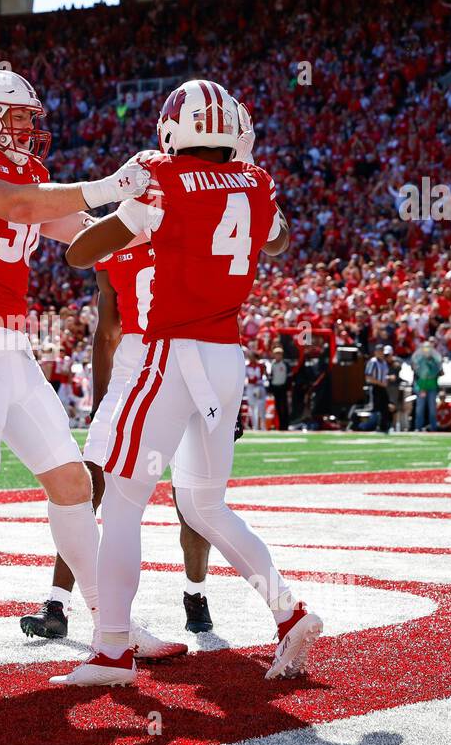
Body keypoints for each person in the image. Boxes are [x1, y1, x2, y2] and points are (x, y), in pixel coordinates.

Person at [0, 68, 176, 692]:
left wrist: (140, 222)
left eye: (28, 120)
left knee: (72, 482)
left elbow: (77, 235)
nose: (26, 131)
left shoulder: (27, 176)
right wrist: (106, 186)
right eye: (15, 119)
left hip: (12, 348)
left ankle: (111, 629)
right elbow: (20, 206)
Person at [56, 79, 321, 687]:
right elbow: (276, 239)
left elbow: (82, 253)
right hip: (227, 358)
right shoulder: (256, 182)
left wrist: (124, 195)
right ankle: (287, 609)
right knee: (205, 504)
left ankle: (113, 651)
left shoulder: (161, 178)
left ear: (173, 132)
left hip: (170, 353)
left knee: (123, 501)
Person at [19, 238, 216, 640]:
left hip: (181, 365)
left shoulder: (181, 230)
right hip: (132, 369)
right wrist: (102, 401)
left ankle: (195, 593)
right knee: (88, 486)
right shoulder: (115, 242)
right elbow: (107, 331)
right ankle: (57, 603)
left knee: (190, 499)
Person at [410, 340, 441, 432]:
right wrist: (420, 388)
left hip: (432, 387)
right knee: (420, 409)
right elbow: (416, 373)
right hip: (421, 388)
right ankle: (418, 427)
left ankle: (433, 427)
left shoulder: (436, 360)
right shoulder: (419, 360)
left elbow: (438, 372)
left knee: (432, 409)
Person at [366, 344, 391, 434]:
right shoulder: (373, 362)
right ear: (375, 352)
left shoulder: (384, 362)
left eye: (382, 351)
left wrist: (388, 378)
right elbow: (368, 377)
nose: (381, 353)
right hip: (375, 387)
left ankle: (383, 426)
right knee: (376, 407)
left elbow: (384, 376)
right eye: (379, 351)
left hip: (383, 387)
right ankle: (372, 426)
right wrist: (381, 383)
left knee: (385, 407)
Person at [244, 347, 268, 430]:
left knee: (261, 407)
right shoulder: (246, 366)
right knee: (252, 407)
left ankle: (263, 426)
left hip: (259, 386)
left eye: (252, 356)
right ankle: (255, 426)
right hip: (251, 387)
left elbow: (265, 375)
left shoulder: (261, 365)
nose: (250, 357)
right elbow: (246, 377)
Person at [268, 342, 291, 430]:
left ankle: (285, 425)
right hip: (275, 387)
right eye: (276, 354)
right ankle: (280, 425)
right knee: (277, 407)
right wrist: (270, 388)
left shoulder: (285, 364)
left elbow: (288, 377)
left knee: (284, 406)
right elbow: (271, 376)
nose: (278, 356)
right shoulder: (272, 364)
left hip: (283, 387)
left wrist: (287, 387)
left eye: (279, 354)